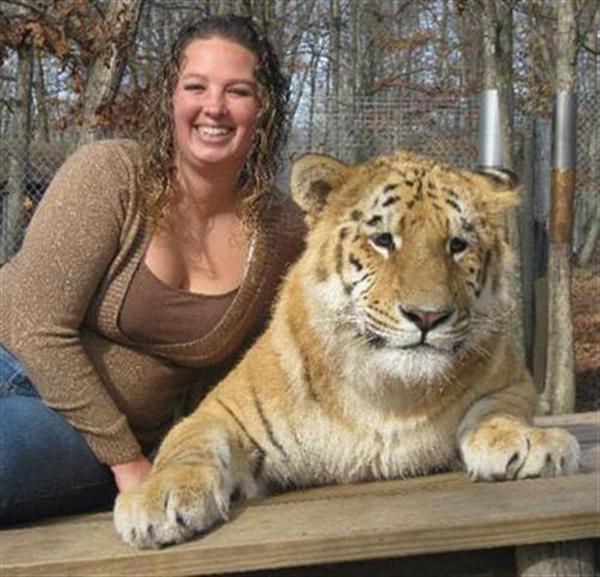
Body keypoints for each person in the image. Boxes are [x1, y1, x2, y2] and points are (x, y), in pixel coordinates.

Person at [0, 14, 305, 524]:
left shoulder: (282, 233)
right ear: (171, 97)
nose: (214, 107)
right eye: (196, 86)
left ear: (264, 109)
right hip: (15, 362)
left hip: (71, 430)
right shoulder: (113, 174)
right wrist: (129, 464)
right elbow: (33, 326)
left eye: (238, 91)